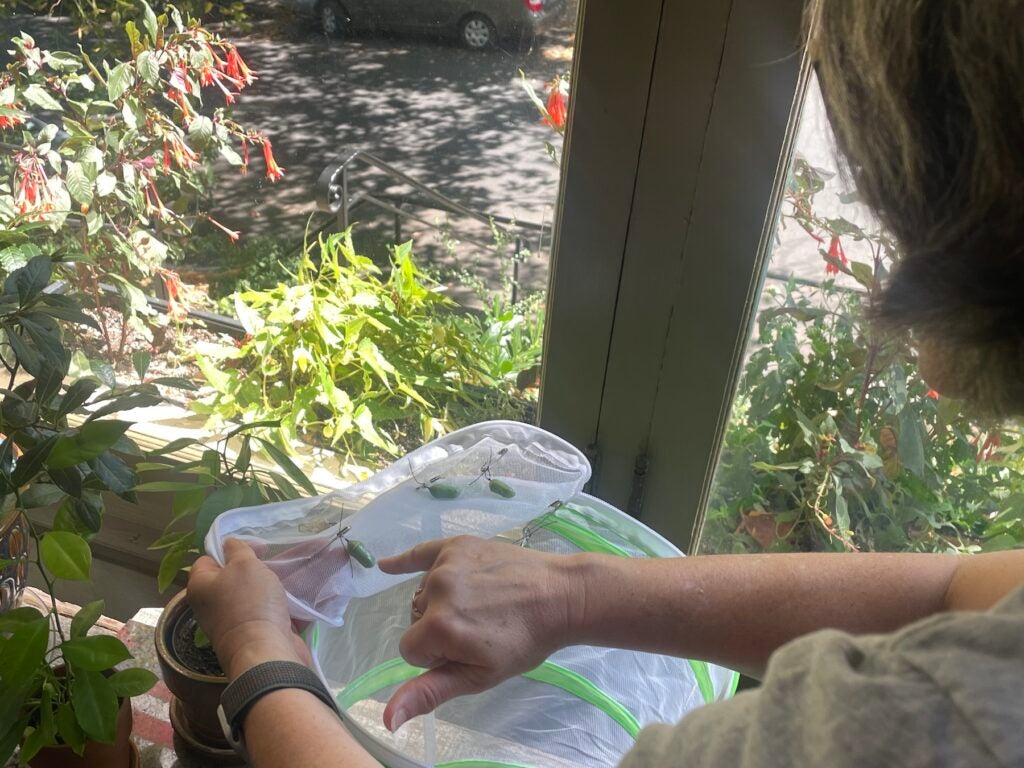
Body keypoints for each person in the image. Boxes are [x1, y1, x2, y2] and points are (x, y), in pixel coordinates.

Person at [186, 1, 1024, 766]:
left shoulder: (902, 731)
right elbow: (965, 593)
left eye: (914, 242)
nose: (916, 342)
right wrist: (572, 591)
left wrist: (262, 656)